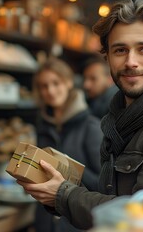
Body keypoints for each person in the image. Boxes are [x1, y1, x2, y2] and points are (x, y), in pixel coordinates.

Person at [17, 0, 143, 230]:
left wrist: (63, 195)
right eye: (120, 50)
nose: (131, 62)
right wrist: (57, 190)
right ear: (107, 56)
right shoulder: (118, 122)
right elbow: (112, 196)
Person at [32, 57, 103, 232]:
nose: (50, 90)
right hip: (45, 221)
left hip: (76, 224)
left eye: (56, 83)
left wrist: (68, 168)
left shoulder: (91, 126)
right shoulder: (43, 126)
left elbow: (103, 185)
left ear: (69, 83)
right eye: (44, 85)